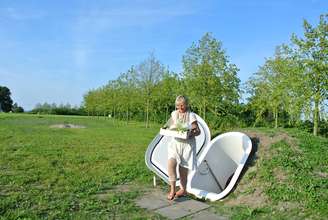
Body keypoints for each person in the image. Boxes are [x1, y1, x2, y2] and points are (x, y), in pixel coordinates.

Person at [166, 95, 200, 200]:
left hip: (187, 145)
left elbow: (198, 131)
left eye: (182, 105)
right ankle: (172, 190)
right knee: (171, 164)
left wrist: (191, 133)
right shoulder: (174, 114)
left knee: (183, 169)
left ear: (186, 104)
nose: (180, 107)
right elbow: (169, 125)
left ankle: (183, 189)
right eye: (178, 105)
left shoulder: (191, 115)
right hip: (175, 143)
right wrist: (165, 128)